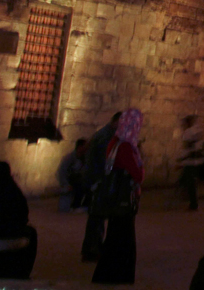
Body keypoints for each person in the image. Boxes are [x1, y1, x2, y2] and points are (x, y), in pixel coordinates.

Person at [93, 107, 144, 285]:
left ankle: (106, 275)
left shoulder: (114, 142)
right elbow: (137, 174)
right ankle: (118, 276)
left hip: (115, 199)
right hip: (122, 201)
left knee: (114, 239)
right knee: (122, 241)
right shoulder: (125, 146)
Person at [82, 112, 121, 261]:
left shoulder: (103, 134)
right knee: (97, 217)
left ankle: (92, 249)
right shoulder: (106, 137)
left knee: (96, 217)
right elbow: (106, 162)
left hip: (96, 181)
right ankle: (92, 250)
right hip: (99, 181)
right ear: (116, 122)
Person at [0, 161, 36, 279]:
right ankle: (23, 273)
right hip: (14, 238)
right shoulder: (15, 192)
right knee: (31, 232)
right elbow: (24, 216)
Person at [178, 115, 204, 210]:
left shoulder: (188, 133)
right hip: (198, 161)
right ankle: (188, 197)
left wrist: (182, 159)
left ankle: (193, 203)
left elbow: (188, 147)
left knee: (190, 182)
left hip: (190, 162)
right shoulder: (199, 131)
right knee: (189, 181)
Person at [57, 139, 88, 210]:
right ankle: (75, 205)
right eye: (85, 146)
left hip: (78, 179)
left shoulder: (84, 158)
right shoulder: (69, 158)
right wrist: (66, 184)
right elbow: (62, 172)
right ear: (80, 147)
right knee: (79, 184)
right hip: (70, 180)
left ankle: (82, 204)